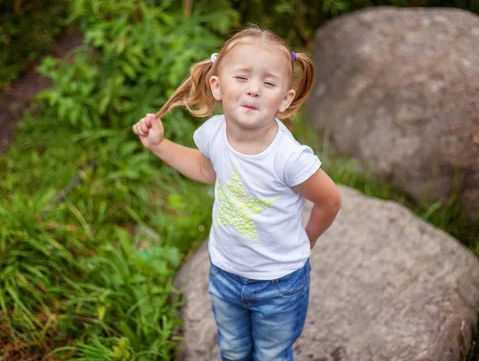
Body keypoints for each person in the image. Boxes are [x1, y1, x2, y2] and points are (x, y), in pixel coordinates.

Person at [132, 26, 342, 361]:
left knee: (272, 354)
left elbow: (330, 200)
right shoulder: (214, 133)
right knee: (232, 348)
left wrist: (309, 237)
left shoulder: (288, 158)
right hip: (225, 271)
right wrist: (159, 146)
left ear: (286, 98)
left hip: (279, 283)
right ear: (217, 86)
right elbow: (205, 169)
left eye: (269, 83)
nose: (254, 90)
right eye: (242, 77)